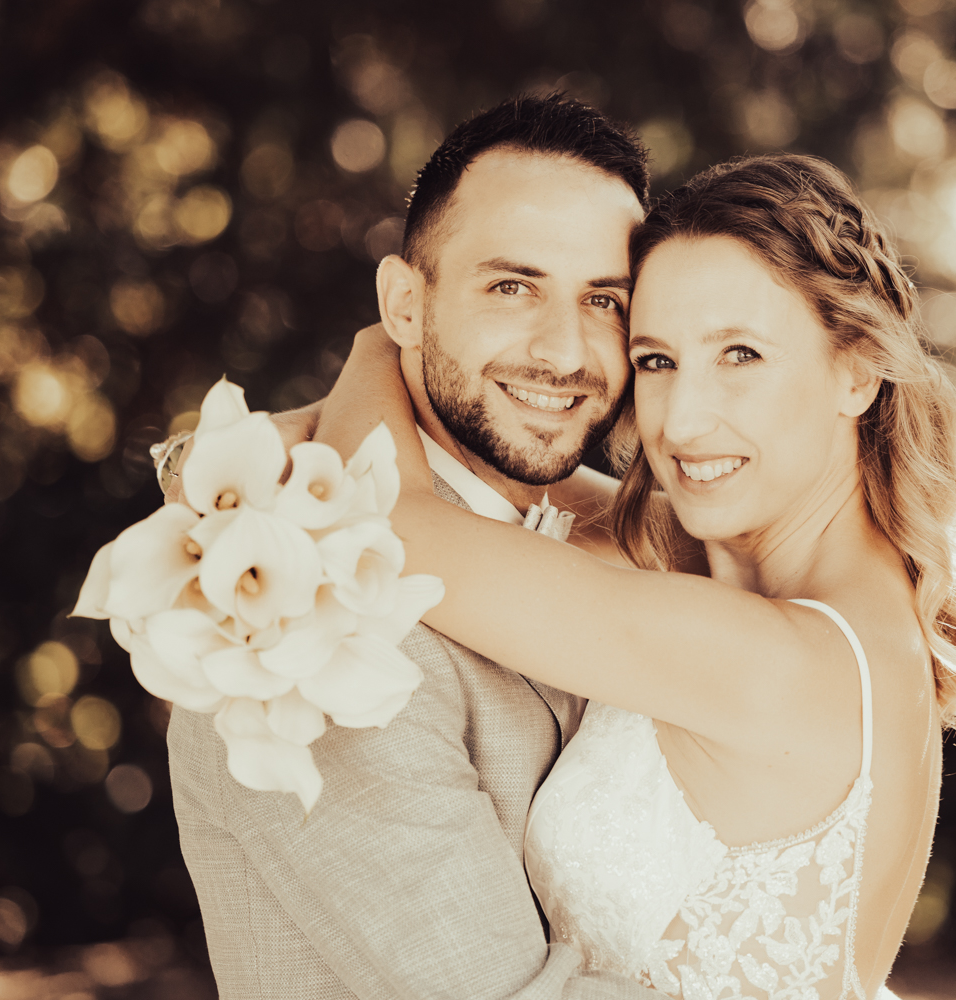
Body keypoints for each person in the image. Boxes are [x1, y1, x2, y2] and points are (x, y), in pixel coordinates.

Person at [309, 153, 956, 998]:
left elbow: (385, 515)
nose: (684, 422)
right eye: (658, 361)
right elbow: (500, 485)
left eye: (740, 354)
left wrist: (396, 334)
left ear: (856, 368)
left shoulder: (782, 659)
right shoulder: (739, 572)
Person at [164, 94, 665, 999]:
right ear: (405, 302)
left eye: (604, 300)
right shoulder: (302, 619)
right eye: (511, 286)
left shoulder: (622, 542)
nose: (565, 351)